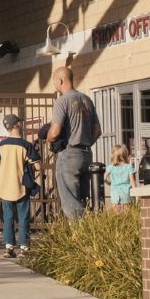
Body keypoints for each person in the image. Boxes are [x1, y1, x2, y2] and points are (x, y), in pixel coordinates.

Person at [45, 67, 101, 220]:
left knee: (70, 201)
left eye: (54, 82)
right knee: (83, 198)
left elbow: (55, 131)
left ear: (60, 80)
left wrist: (48, 138)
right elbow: (97, 130)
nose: (55, 85)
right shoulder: (87, 100)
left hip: (69, 154)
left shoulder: (62, 101)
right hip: (86, 153)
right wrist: (87, 142)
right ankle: (88, 232)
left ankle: (79, 235)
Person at [0, 114, 40, 258]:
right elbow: (38, 166)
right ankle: (24, 247)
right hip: (21, 187)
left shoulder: (2, 145)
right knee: (23, 217)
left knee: (8, 217)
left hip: (5, 186)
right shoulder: (26, 145)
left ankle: (9, 247)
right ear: (17, 125)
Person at [105, 144, 137, 212]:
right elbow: (132, 182)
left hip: (115, 194)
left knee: (117, 213)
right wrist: (136, 194)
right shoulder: (129, 167)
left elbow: (104, 178)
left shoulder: (110, 167)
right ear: (125, 155)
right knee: (127, 213)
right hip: (126, 194)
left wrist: (109, 183)